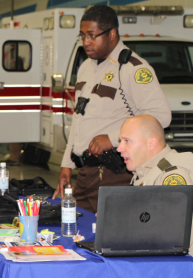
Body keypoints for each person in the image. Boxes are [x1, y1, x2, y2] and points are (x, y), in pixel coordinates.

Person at [52, 5, 171, 213]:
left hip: (114, 174)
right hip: (85, 173)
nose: (86, 42)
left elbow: (161, 116)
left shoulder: (133, 69)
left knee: (112, 239)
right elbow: (79, 119)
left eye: (92, 35)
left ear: (112, 34)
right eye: (82, 35)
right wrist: (66, 164)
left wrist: (113, 138)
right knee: (71, 232)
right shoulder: (86, 67)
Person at [117, 115, 193, 186]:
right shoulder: (146, 171)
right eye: (120, 141)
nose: (119, 149)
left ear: (151, 144)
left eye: (127, 141)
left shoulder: (171, 174)